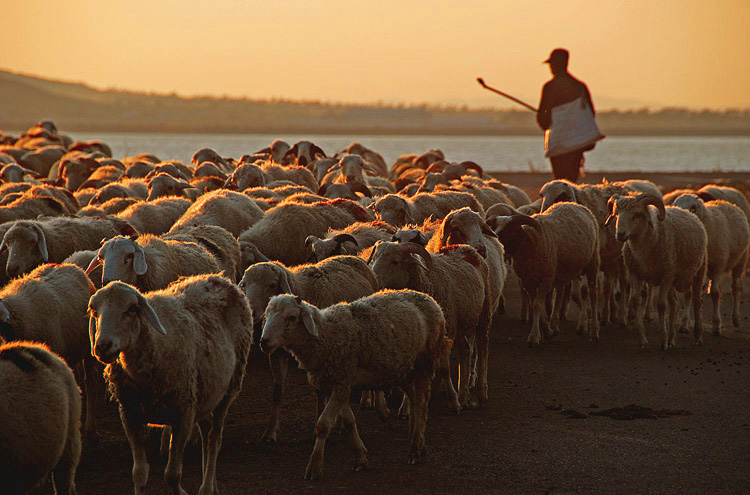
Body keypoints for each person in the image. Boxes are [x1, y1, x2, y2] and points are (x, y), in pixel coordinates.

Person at [536, 48, 596, 183]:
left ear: (555, 65)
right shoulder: (580, 86)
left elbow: (543, 118)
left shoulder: (550, 87)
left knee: (560, 180)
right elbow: (590, 113)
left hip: (558, 142)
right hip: (577, 142)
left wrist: (549, 124)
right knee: (572, 180)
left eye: (551, 64)